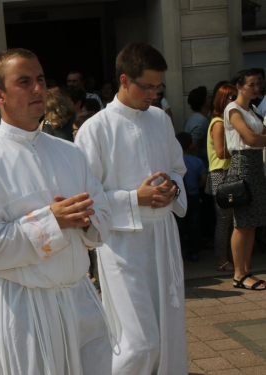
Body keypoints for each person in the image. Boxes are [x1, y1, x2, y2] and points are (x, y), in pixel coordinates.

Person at [0, 48, 114, 375]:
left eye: (41, 79)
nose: (38, 89)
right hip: (26, 310)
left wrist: (87, 222)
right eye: (24, 81)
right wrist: (50, 224)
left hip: (78, 297)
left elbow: (102, 213)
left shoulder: (70, 153)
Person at [75, 42, 188, 375]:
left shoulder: (160, 121)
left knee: (168, 338)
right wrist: (133, 198)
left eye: (158, 86)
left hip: (164, 240)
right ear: (124, 80)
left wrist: (172, 188)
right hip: (123, 245)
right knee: (139, 343)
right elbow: (84, 197)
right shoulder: (96, 129)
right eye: (147, 86)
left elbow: (178, 169)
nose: (154, 93)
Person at [224, 70, 266, 290]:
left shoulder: (253, 110)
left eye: (258, 84)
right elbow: (250, 138)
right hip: (243, 165)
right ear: (239, 87)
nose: (256, 88)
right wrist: (259, 138)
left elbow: (259, 135)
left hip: (256, 165)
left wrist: (260, 138)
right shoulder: (233, 109)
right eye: (251, 85)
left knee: (251, 222)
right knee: (242, 222)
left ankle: (245, 271)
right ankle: (239, 273)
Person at [207, 83, 236, 272]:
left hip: (228, 173)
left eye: (234, 96)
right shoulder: (218, 123)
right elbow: (220, 152)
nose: (233, 101)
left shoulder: (225, 121)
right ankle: (222, 259)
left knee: (231, 219)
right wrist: (241, 147)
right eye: (229, 97)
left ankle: (231, 257)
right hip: (221, 174)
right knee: (224, 220)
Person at [176, 132, 207, 262]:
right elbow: (203, 180)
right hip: (194, 196)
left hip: (177, 197)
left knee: (179, 226)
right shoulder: (197, 161)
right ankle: (193, 252)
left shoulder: (174, 161)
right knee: (194, 225)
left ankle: (178, 253)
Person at [185, 86, 212, 164]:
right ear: (203, 102)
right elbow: (194, 148)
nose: (212, 99)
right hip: (202, 165)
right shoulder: (200, 121)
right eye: (209, 97)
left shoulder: (200, 118)